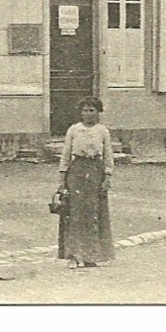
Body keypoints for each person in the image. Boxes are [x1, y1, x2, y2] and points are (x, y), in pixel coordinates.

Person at [57, 97, 114, 268]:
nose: (88, 114)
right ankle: (73, 255)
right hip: (76, 172)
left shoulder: (102, 131)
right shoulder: (74, 130)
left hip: (95, 172)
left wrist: (107, 178)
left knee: (94, 214)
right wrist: (62, 180)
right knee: (74, 214)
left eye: (91, 110)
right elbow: (65, 155)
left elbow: (108, 156)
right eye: (85, 110)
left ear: (98, 112)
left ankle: (90, 255)